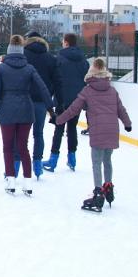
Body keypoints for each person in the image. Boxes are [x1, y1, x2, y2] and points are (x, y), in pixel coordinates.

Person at [57, 58, 132, 212]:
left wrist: (59, 120)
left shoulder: (88, 90)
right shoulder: (112, 91)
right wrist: (127, 123)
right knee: (107, 160)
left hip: (97, 131)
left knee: (96, 162)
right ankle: (108, 186)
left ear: (91, 73)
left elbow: (73, 110)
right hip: (112, 131)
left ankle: (98, 192)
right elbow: (121, 109)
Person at [0, 35, 54, 197]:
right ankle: (28, 183)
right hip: (26, 110)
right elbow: (43, 89)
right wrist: (50, 109)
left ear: (9, 50)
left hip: (7, 111)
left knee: (8, 147)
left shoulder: (1, 68)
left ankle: (11, 181)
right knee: (23, 146)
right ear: (22, 50)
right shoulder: (29, 68)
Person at [45, 33, 89, 172]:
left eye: (63, 41)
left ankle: (53, 160)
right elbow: (86, 80)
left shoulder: (59, 59)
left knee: (59, 128)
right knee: (72, 128)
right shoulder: (84, 61)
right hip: (77, 99)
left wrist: (50, 96)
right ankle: (72, 158)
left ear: (66, 43)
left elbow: (55, 80)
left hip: (62, 99)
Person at [23, 31, 62, 178]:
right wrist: (58, 102)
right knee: (38, 134)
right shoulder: (50, 58)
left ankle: (15, 166)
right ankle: (37, 166)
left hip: (24, 100)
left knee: (21, 135)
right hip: (42, 101)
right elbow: (58, 81)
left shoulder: (23, 55)